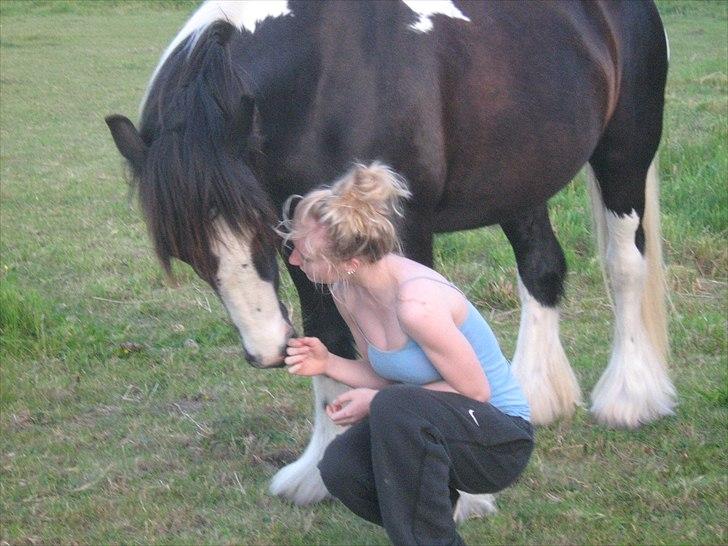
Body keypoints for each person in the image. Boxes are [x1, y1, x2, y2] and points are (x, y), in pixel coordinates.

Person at [281, 162, 534, 546]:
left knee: (393, 407)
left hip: (497, 438)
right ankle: (432, 527)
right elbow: (390, 377)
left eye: (306, 255)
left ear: (349, 262)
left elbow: (475, 392)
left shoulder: (417, 304)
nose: (294, 261)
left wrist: (378, 401)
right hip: (433, 427)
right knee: (341, 467)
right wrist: (328, 363)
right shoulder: (346, 292)